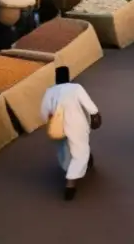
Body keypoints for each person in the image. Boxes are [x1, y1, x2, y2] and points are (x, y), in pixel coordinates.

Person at [40, 66, 101, 201]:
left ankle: (70, 169)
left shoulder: (49, 91)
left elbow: (44, 113)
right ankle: (70, 184)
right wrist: (95, 114)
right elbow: (89, 104)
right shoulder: (76, 88)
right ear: (68, 76)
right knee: (80, 152)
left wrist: (50, 121)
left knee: (64, 151)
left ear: (56, 77)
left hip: (58, 127)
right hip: (77, 126)